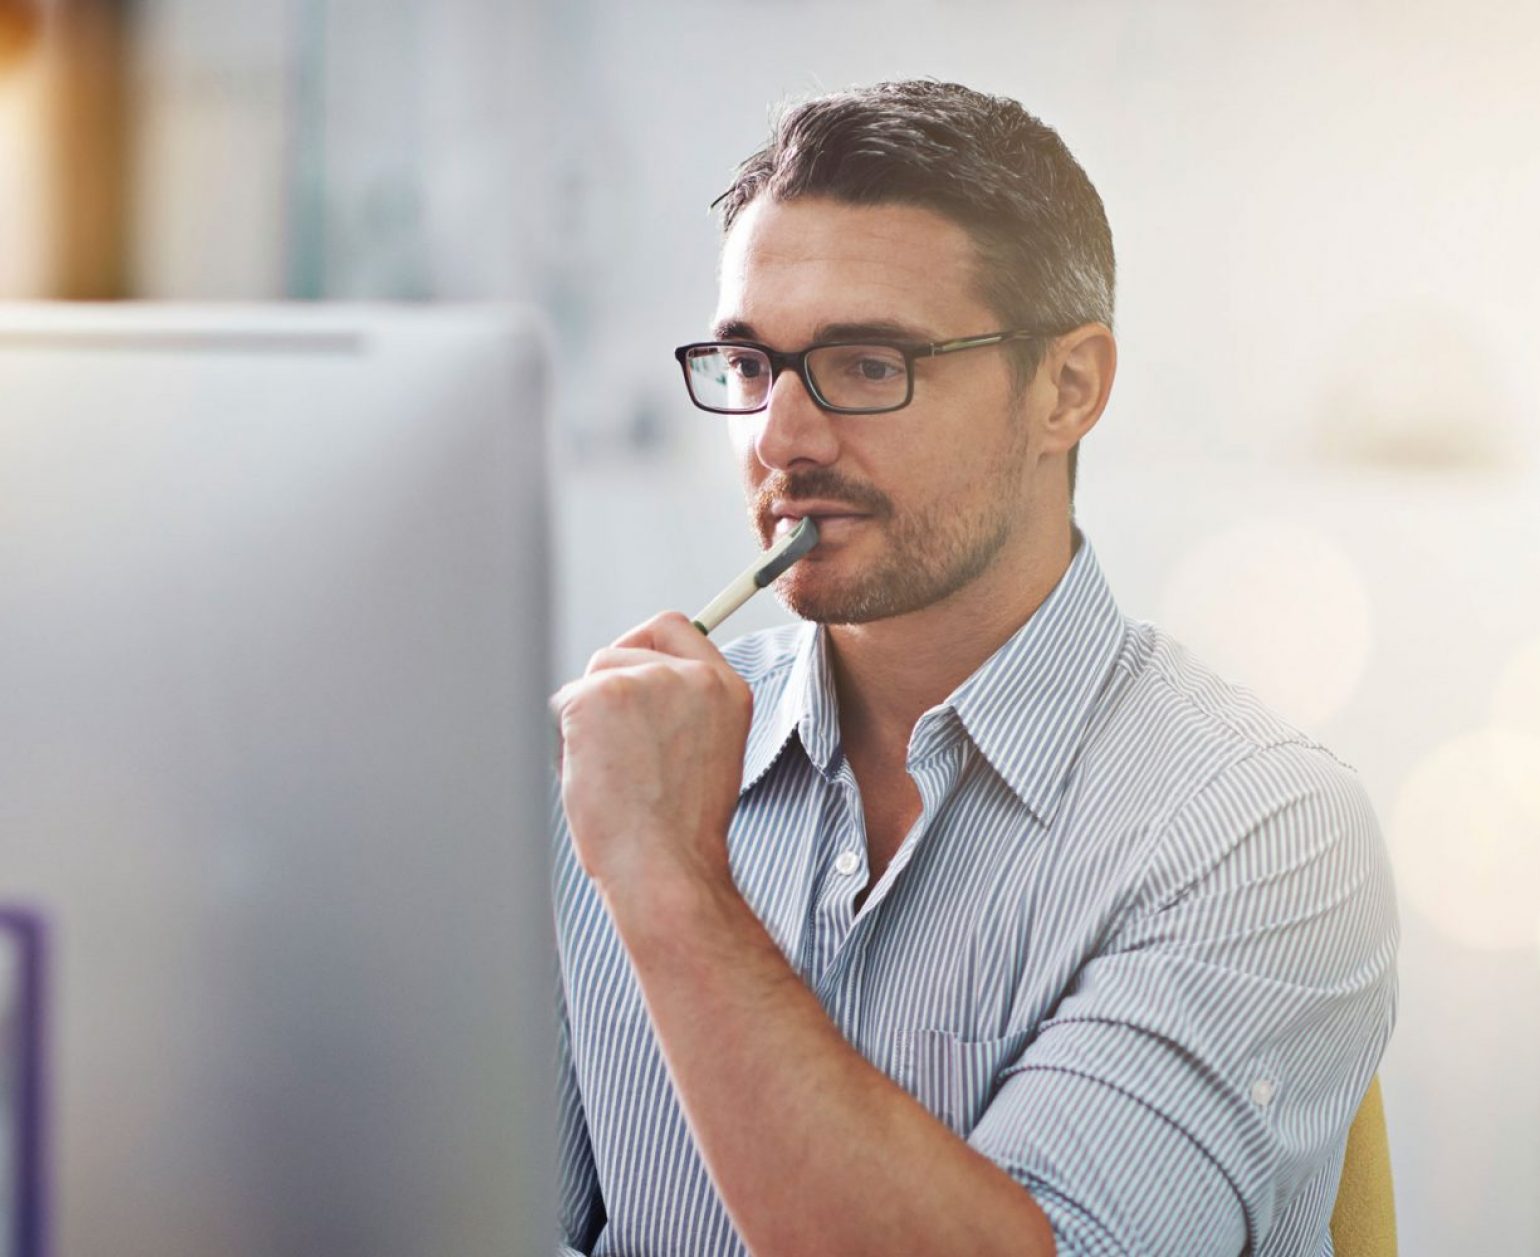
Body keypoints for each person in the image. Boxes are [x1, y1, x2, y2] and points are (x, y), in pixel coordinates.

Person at [549, 79, 1398, 1257]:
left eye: (865, 363)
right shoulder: (614, 772)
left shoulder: (1261, 826)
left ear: (1067, 388)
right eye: (749, 365)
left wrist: (673, 889)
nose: (778, 440)